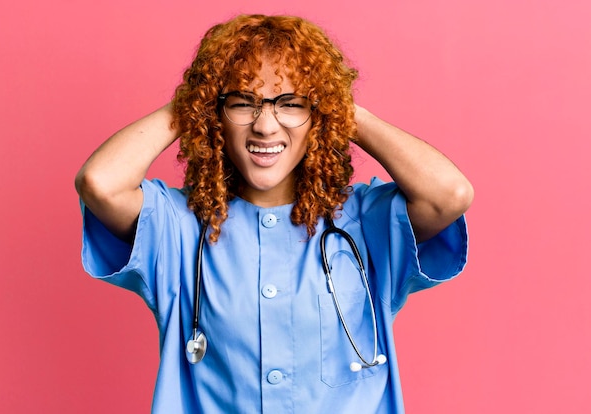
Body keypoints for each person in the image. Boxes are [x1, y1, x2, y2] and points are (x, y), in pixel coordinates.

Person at [76, 14, 473, 414]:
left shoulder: (363, 222)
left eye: (291, 103)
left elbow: (448, 195)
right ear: (215, 115)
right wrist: (192, 102)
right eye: (242, 102)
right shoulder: (178, 226)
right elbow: (100, 183)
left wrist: (342, 110)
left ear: (317, 116)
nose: (265, 126)